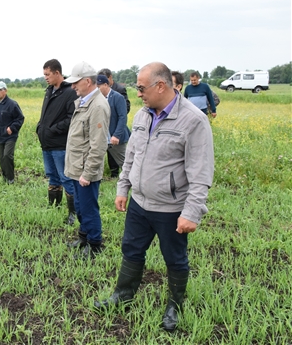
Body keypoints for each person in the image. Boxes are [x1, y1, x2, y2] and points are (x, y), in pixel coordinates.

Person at [94, 62, 214, 332]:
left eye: (141, 88)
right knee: (131, 249)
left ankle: (175, 305)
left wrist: (191, 213)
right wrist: (123, 188)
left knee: (174, 257)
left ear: (161, 86)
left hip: (171, 208)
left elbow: (201, 172)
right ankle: (123, 294)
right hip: (140, 203)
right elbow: (131, 157)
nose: (138, 94)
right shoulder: (142, 116)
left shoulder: (193, 120)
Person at [64, 62, 110, 259]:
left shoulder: (98, 106)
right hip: (76, 167)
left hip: (85, 171)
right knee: (80, 207)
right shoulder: (84, 101)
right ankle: (83, 238)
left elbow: (98, 144)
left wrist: (88, 173)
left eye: (76, 82)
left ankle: (94, 245)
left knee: (89, 208)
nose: (73, 86)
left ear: (88, 81)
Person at [37, 59, 78, 224]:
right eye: (44, 74)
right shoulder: (49, 90)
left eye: (48, 74)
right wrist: (41, 127)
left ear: (57, 73)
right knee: (52, 176)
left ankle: (73, 213)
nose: (45, 77)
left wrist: (53, 129)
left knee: (66, 177)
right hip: (47, 143)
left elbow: (72, 118)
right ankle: (54, 206)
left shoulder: (69, 92)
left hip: (60, 144)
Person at [98, 68, 131, 177]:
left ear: (106, 85)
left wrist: (116, 135)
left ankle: (133, 181)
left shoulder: (117, 97)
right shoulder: (98, 99)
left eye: (99, 87)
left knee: (124, 162)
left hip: (116, 136)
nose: (97, 89)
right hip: (103, 136)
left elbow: (122, 117)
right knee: (97, 161)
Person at [0, 81, 25, 184]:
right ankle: (5, 178)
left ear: (5, 91)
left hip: (10, 136)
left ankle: (11, 179)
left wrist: (12, 128)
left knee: (7, 156)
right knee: (1, 158)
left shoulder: (12, 104)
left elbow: (20, 118)